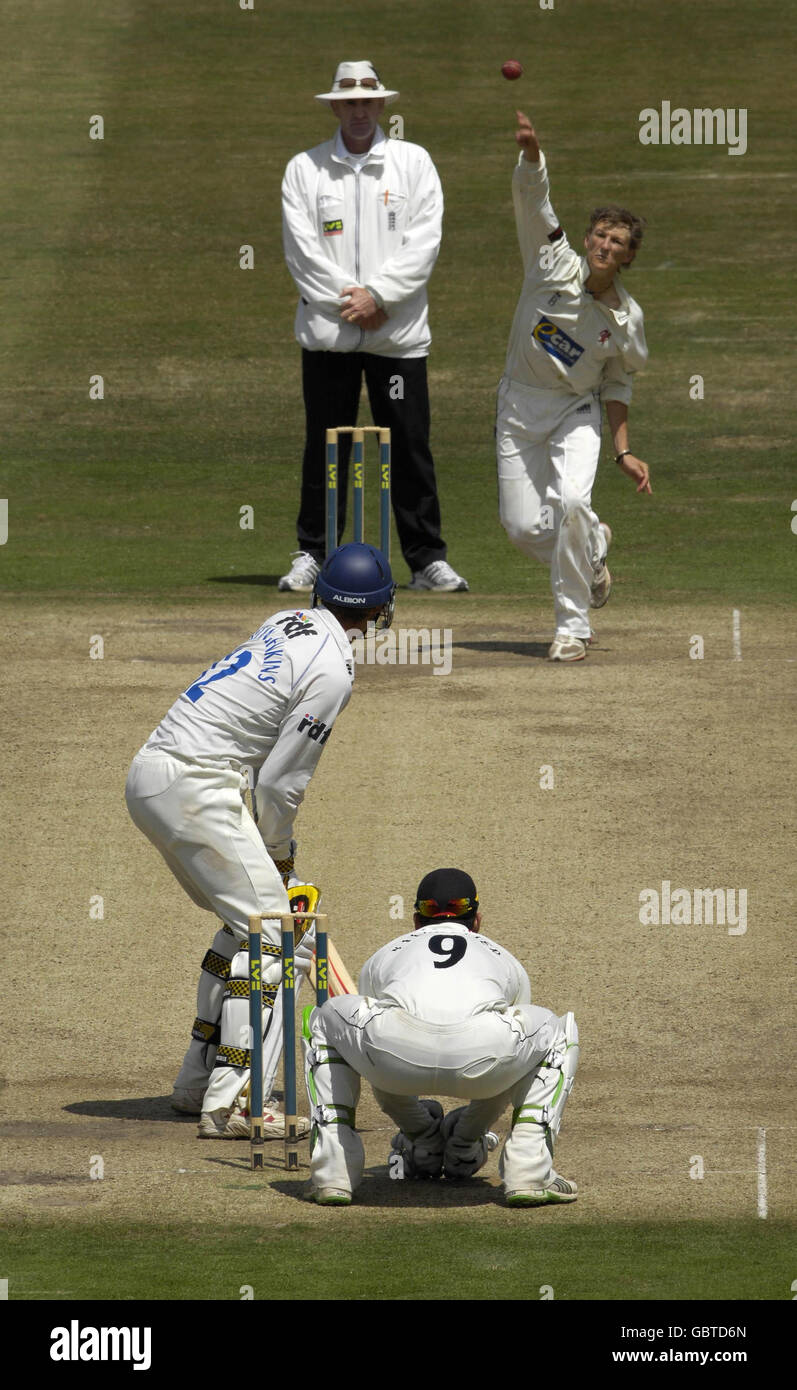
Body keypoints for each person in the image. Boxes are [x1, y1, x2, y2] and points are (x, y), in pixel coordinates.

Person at [125, 543, 396, 1139]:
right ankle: (237, 1102)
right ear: (377, 612)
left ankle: (198, 1079)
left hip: (151, 774)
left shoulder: (286, 620)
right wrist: (279, 851)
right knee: (276, 936)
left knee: (240, 924)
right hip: (196, 784)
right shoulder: (333, 671)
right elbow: (279, 782)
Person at [278, 60, 468, 595]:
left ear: (381, 105)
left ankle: (427, 560)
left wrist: (380, 296)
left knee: (409, 444)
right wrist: (355, 302)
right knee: (326, 445)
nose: (359, 111)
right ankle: (311, 555)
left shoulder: (413, 162)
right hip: (330, 336)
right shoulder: (306, 169)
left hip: (399, 337)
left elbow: (424, 240)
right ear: (335, 106)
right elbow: (302, 251)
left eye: (367, 102)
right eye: (349, 102)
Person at [301, 867, 579, 1206]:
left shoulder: (387, 953)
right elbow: (517, 1065)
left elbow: (371, 1043)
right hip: (484, 1063)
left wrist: (417, 1128)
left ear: (416, 921)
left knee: (327, 1020)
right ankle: (528, 1171)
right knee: (556, 1032)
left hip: (393, 1060)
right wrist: (472, 1131)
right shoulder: (504, 957)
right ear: (476, 921)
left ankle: (335, 1174)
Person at [497, 110, 652, 662]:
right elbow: (534, 201)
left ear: (629, 256)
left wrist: (624, 450)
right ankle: (594, 547)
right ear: (587, 238)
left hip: (574, 412)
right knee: (519, 526)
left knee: (570, 503)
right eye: (602, 236)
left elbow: (619, 384)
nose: (607, 246)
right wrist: (533, 154)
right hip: (518, 404)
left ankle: (572, 629)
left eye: (619, 243)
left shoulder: (626, 321)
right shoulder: (548, 261)